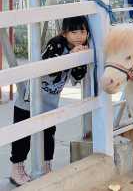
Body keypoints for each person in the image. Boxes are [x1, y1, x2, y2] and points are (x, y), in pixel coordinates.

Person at [10, 16, 89, 186]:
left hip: (50, 103)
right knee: (22, 136)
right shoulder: (56, 44)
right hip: (29, 99)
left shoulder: (82, 49)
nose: (78, 36)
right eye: (73, 32)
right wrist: (69, 57)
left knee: (48, 135)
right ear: (64, 33)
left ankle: (46, 166)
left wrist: (79, 59)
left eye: (82, 31)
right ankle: (17, 169)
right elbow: (50, 70)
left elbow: (78, 76)